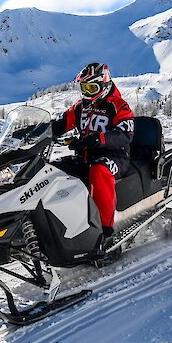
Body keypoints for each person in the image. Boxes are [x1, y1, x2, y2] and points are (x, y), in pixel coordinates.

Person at [51, 62, 134, 249]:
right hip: (86, 155)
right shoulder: (81, 107)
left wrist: (100, 139)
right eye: (84, 88)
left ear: (104, 85)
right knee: (52, 171)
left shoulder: (118, 106)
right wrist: (40, 131)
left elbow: (124, 134)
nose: (87, 92)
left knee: (99, 172)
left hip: (115, 156)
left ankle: (105, 233)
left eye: (92, 87)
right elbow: (61, 123)